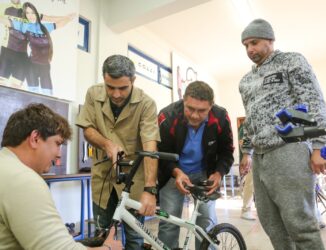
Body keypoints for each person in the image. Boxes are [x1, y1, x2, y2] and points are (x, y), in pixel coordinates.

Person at [239, 19, 326, 250]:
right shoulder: (245, 81)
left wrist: (319, 145)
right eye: (246, 45)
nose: (250, 49)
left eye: (255, 42)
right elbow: (250, 119)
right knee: (272, 225)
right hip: (260, 157)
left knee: (299, 223)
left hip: (288, 148)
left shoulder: (291, 61)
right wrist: (246, 151)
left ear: (270, 40)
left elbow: (312, 100)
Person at [0, 103, 121, 250]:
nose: (59, 154)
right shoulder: (23, 180)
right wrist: (108, 248)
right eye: (58, 143)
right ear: (35, 138)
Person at [76, 54, 160, 249]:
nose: (116, 94)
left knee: (134, 237)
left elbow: (150, 145)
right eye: (110, 87)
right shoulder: (93, 94)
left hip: (134, 179)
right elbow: (87, 128)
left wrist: (149, 189)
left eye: (123, 88)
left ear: (133, 80)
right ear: (104, 79)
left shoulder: (147, 104)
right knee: (101, 234)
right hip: (103, 177)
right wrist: (107, 144)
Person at [157, 80, 234, 249]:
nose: (194, 115)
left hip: (204, 173)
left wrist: (218, 173)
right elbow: (161, 155)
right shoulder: (167, 116)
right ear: (183, 100)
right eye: (190, 108)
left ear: (211, 106)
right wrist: (177, 173)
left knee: (206, 224)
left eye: (202, 111)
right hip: (174, 173)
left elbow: (227, 152)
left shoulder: (220, 117)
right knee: (169, 223)